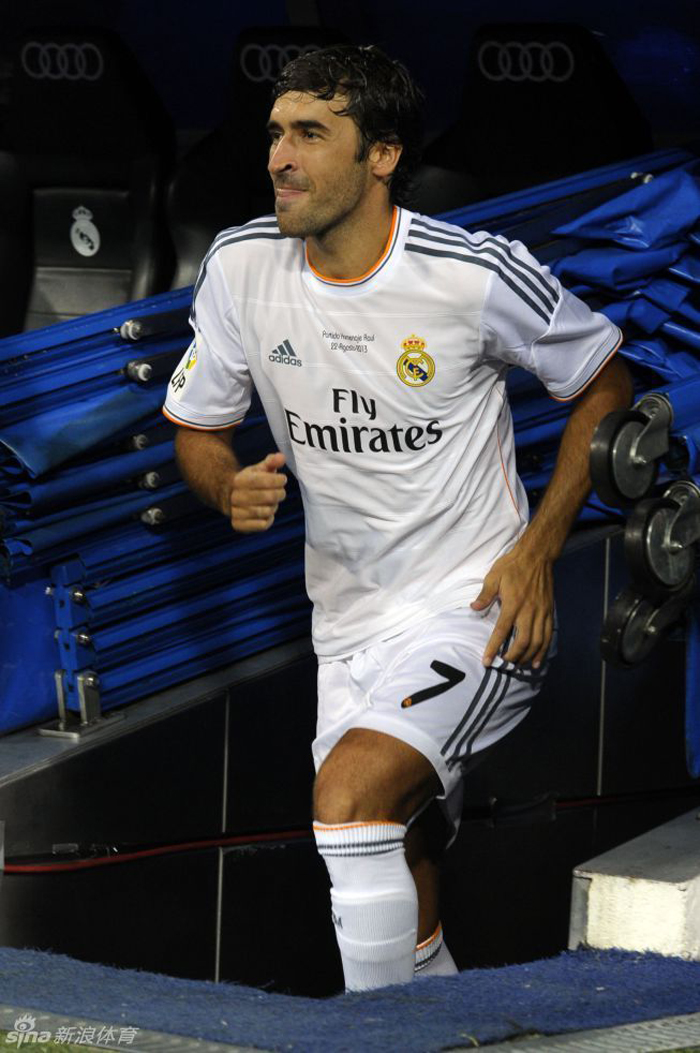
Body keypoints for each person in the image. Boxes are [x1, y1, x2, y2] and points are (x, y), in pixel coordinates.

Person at [163, 44, 632, 992]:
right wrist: (223, 486)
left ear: (381, 155)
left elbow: (607, 388)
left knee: (350, 804)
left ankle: (365, 1037)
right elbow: (198, 426)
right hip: (346, 629)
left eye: (309, 135)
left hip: (478, 608)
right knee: (398, 854)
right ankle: (441, 1022)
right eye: (274, 134)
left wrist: (540, 550)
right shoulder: (239, 266)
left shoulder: (473, 273)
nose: (278, 159)